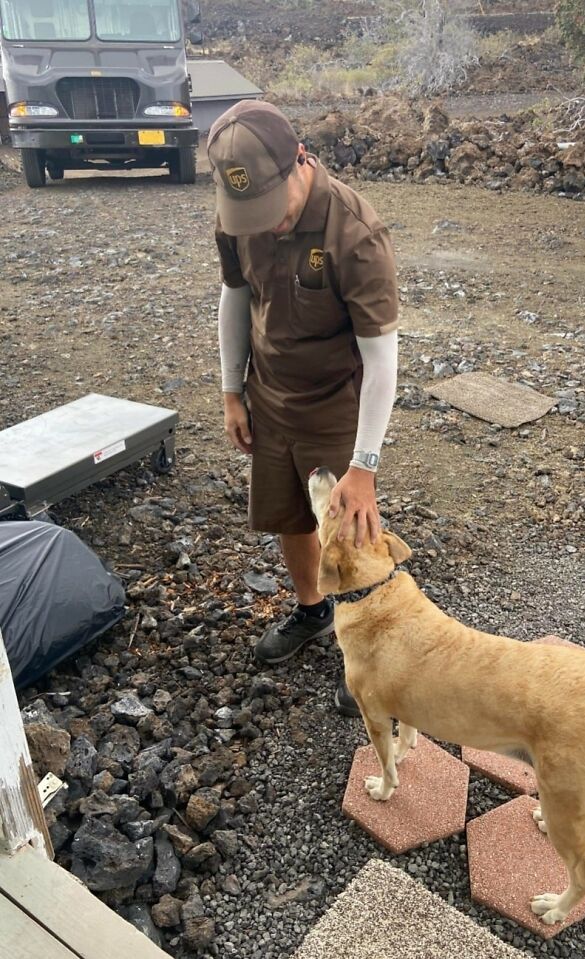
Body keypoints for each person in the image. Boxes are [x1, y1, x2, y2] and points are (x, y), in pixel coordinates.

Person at [208, 100, 399, 717]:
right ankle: (314, 612)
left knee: (350, 534)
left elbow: (382, 360)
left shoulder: (355, 233)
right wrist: (232, 389)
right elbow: (235, 298)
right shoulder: (237, 219)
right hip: (269, 395)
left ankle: (365, 651)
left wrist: (364, 466)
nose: (267, 224)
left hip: (334, 406)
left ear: (300, 160)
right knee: (290, 516)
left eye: (274, 207)